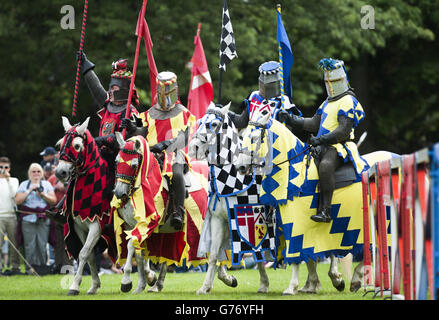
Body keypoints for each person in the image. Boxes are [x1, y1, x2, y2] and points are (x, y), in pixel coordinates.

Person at [277, 58, 369, 223]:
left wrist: (321, 139)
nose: (331, 85)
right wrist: (290, 119)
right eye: (328, 82)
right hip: (322, 145)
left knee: (326, 167)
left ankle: (325, 211)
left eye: (333, 81)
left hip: (338, 147)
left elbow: (343, 131)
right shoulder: (327, 102)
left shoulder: (348, 101)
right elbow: (313, 123)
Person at [121, 71, 196, 230]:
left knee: (175, 173)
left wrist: (167, 143)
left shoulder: (183, 112)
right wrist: (133, 128)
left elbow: (185, 137)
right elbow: (144, 133)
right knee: (129, 168)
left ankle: (178, 212)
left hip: (174, 153)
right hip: (151, 154)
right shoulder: (150, 113)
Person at [227, 61, 304, 138]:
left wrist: (286, 119)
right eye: (264, 78)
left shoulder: (284, 101)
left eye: (270, 79)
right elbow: (241, 122)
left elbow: (290, 132)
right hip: (251, 143)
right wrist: (225, 113)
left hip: (274, 145)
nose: (266, 82)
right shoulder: (254, 96)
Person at [76, 51, 139, 137]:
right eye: (111, 88)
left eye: (114, 88)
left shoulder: (132, 113)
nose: (110, 91)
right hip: (102, 149)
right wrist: (85, 63)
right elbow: (96, 87)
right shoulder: (107, 103)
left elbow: (136, 136)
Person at [15, 163, 57, 274]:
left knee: (42, 244)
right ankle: (30, 269)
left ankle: (42, 268)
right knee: (30, 245)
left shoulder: (46, 184)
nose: (36, 173)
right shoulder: (24, 184)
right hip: (28, 218)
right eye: (33, 171)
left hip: (43, 217)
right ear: (30, 173)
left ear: (41, 173)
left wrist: (43, 195)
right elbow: (18, 201)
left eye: (38, 171)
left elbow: (54, 201)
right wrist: (29, 191)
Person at [47, 168, 73, 274]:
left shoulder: (72, 176)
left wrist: (63, 187)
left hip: (69, 212)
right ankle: (58, 266)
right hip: (56, 213)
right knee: (58, 243)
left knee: (68, 241)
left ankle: (68, 268)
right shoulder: (52, 178)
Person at [0, 156, 21, 275]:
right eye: (1, 167)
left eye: (6, 167)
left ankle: (15, 267)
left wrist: (8, 180)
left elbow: (14, 195)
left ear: (9, 168)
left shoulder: (14, 180)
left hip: (11, 215)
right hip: (0, 216)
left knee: (14, 244)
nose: (3, 169)